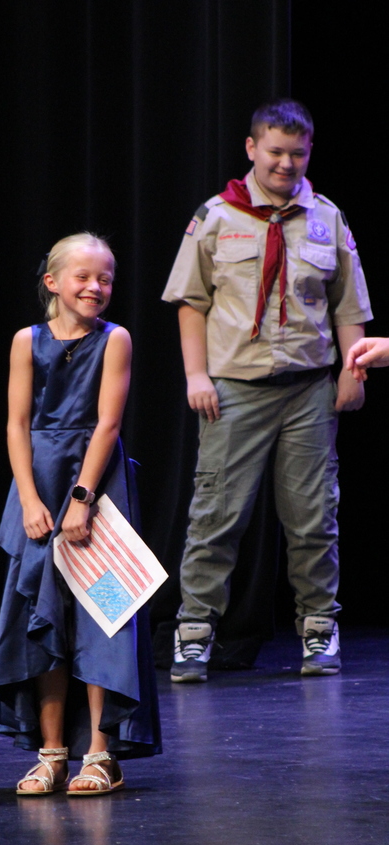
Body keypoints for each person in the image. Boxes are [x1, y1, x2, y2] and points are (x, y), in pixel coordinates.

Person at [162, 99, 372, 681]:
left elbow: (347, 305)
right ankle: (195, 631)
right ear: (252, 148)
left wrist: (352, 372)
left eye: (297, 154)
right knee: (216, 515)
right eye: (275, 152)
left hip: (308, 389)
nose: (286, 164)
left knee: (313, 517)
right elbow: (191, 302)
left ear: (309, 152)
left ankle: (319, 627)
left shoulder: (327, 218)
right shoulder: (216, 216)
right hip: (235, 388)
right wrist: (196, 376)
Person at [0, 232, 161, 795]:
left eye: (105, 278)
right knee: (45, 616)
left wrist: (82, 498)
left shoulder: (115, 339)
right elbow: (17, 425)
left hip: (96, 488)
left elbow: (107, 424)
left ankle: (100, 754)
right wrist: (29, 498)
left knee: (104, 613)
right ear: (52, 282)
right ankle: (52, 751)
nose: (95, 286)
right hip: (38, 485)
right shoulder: (26, 341)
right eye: (82, 276)